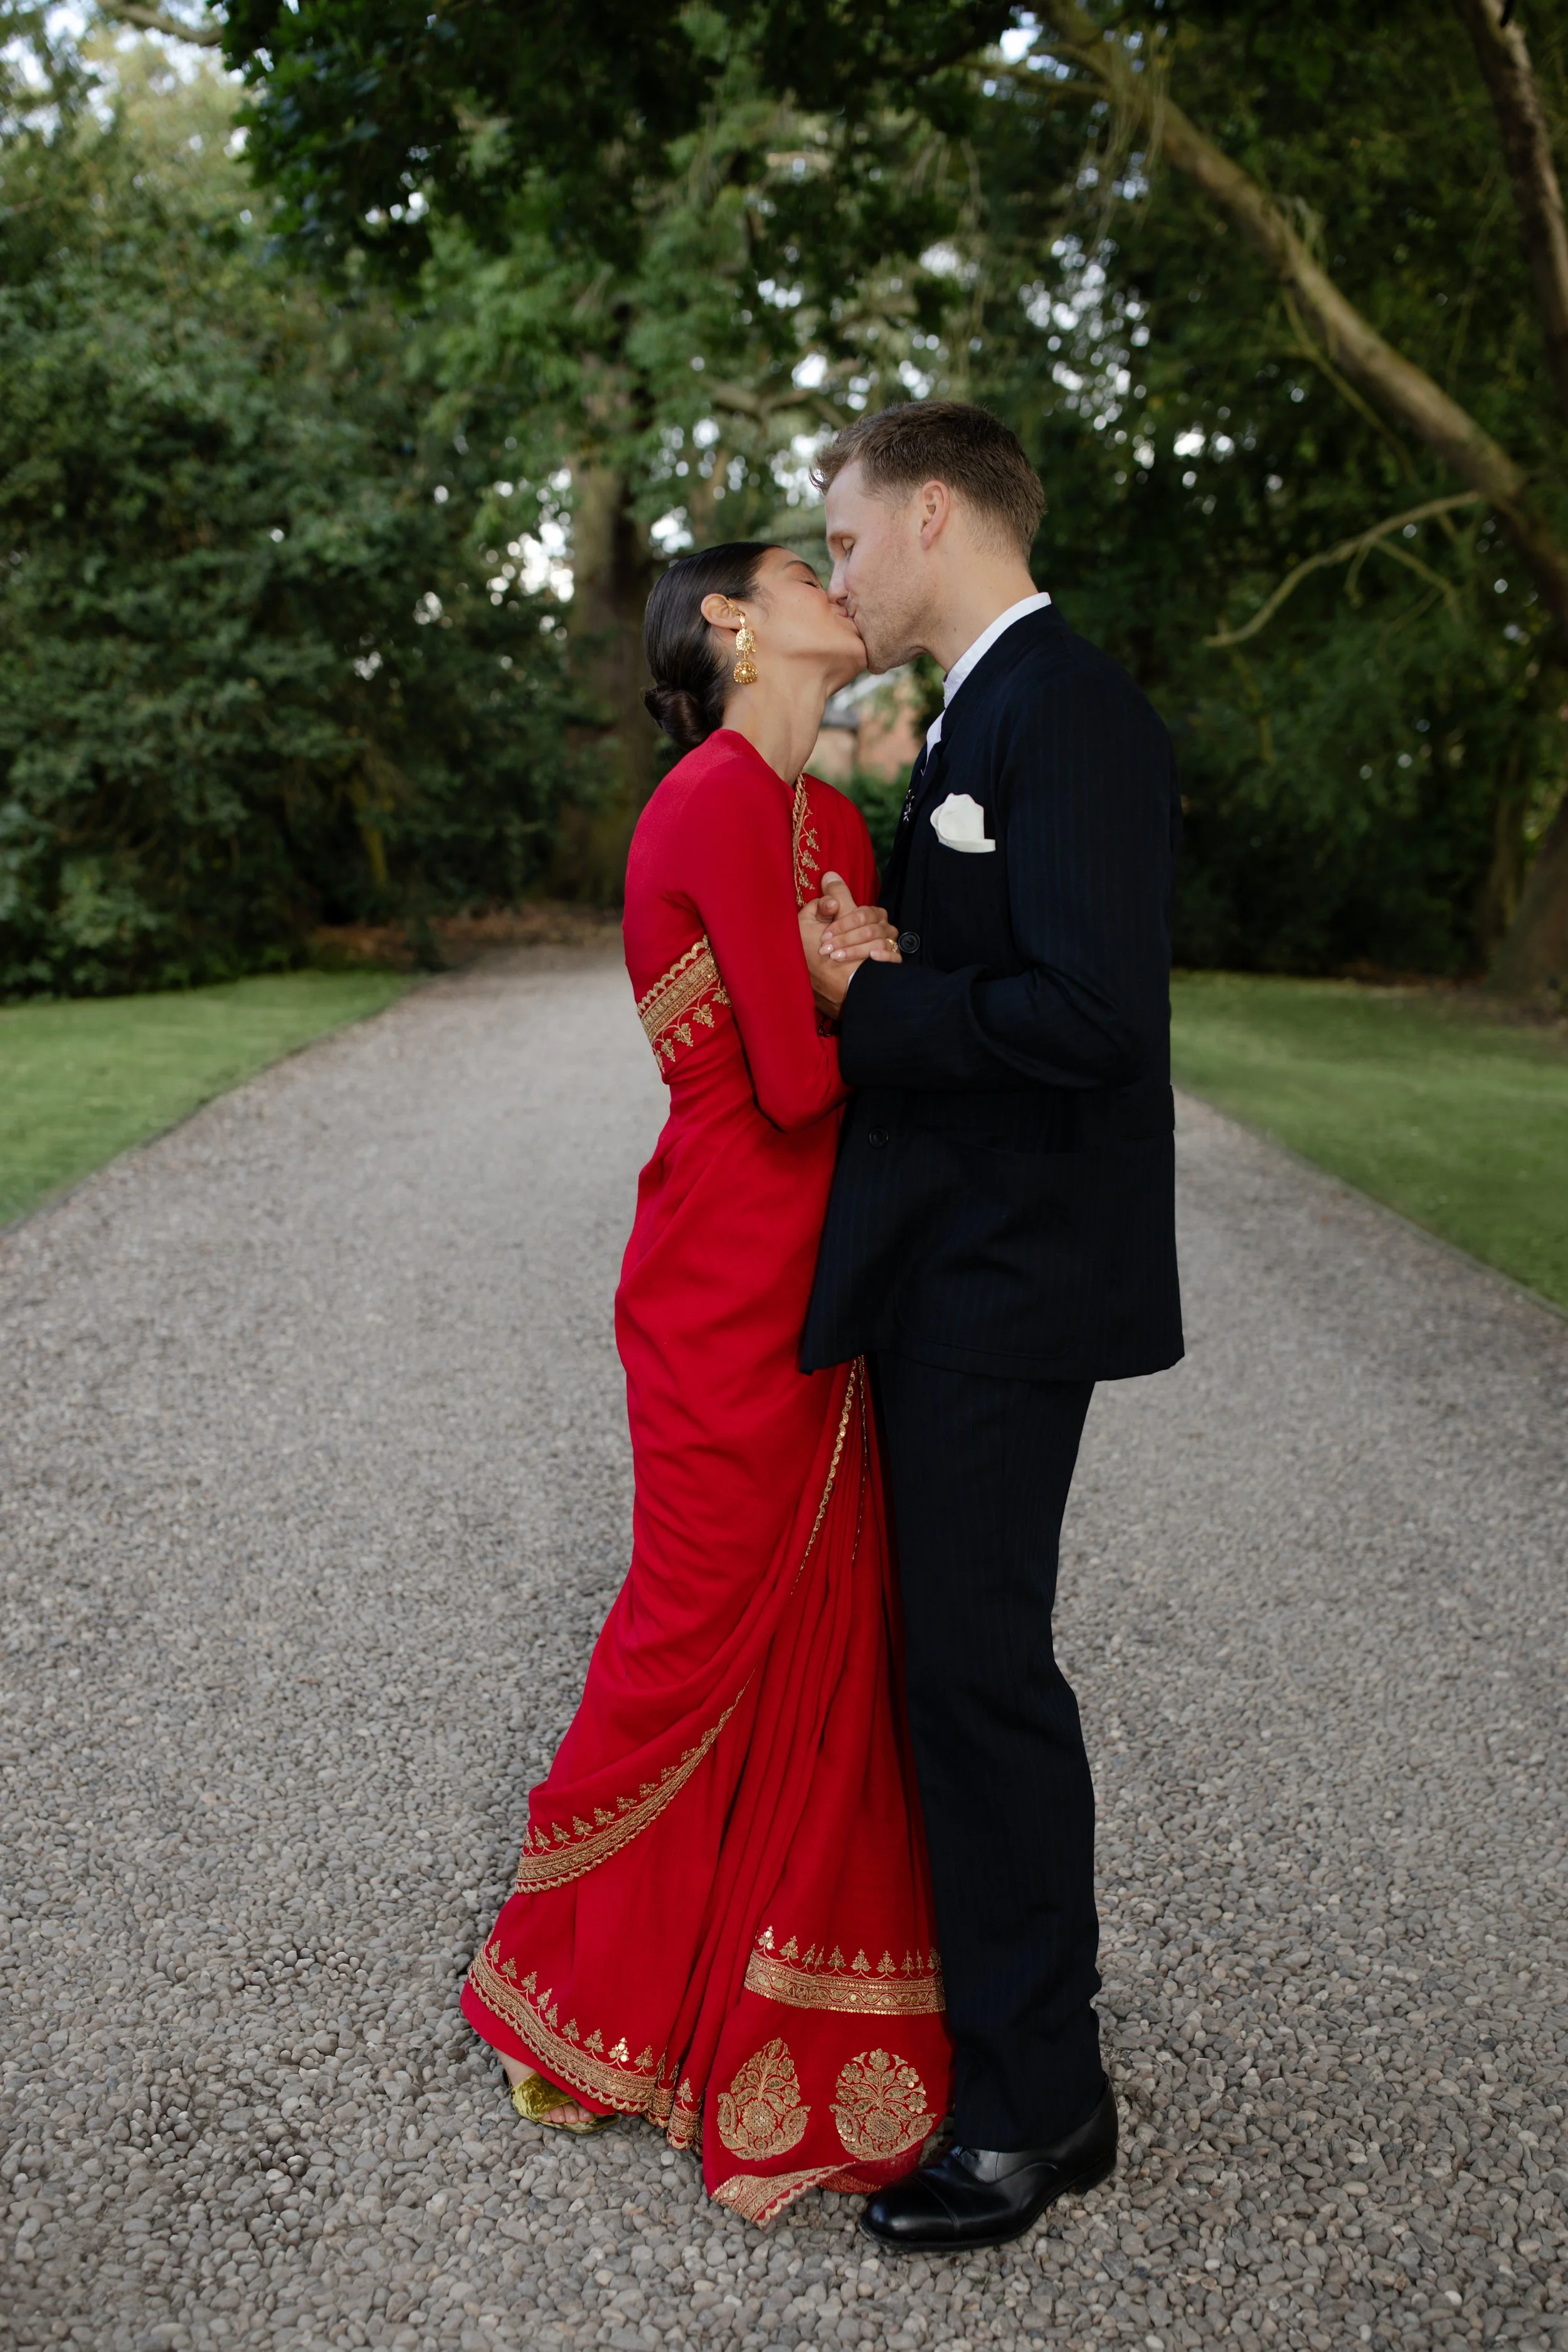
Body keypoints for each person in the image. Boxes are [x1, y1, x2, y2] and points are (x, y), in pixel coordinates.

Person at [462, 541, 954, 2228]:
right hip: (723, 1276)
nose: (838, 581)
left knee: (826, 1617)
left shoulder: (830, 817)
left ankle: (732, 1974)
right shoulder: (706, 803)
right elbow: (798, 1081)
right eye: (798, 569)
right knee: (689, 1618)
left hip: (831, 1271)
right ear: (728, 624)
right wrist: (867, 978)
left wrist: (859, 965)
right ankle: (564, 1979)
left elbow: (834, 1044)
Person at [796, 402, 1184, 2251]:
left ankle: (1035, 2101)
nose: (838, 573)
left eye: (847, 537)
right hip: (957, 1263)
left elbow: (1094, 1012)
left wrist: (880, 996)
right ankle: (1034, 2068)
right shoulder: (966, 716)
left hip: (1013, 1277)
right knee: (953, 1664)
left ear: (932, 512)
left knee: (978, 1673)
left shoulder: (1068, 708)